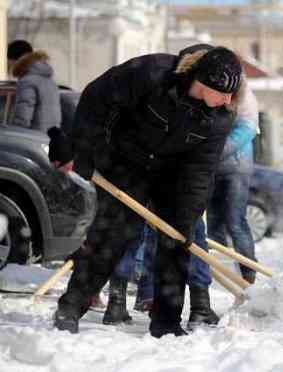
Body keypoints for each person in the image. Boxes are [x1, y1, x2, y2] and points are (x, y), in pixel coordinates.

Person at [47, 44, 244, 338]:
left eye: (232, 93)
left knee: (176, 242)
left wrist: (187, 217)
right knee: (112, 235)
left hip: (172, 173)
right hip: (125, 161)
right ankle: (70, 308)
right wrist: (83, 150)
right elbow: (96, 100)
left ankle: (166, 323)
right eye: (223, 93)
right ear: (202, 83)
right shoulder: (151, 74)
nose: (229, 100)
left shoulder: (220, 116)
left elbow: (200, 169)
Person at [207, 87, 259, 284]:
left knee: (235, 221)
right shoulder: (210, 91)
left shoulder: (243, 95)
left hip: (237, 167)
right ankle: (219, 270)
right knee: (214, 222)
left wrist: (214, 151)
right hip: (213, 168)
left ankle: (248, 272)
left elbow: (247, 129)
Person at [7, 39, 61, 132]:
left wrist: (14, 135)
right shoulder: (49, 81)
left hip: (32, 139)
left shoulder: (27, 81)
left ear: (14, 60)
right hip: (49, 138)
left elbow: (22, 117)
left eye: (9, 60)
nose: (9, 65)